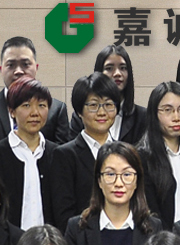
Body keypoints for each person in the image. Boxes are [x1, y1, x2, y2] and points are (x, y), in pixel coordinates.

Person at [0, 77, 74, 234]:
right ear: (12, 111)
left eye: (42, 105)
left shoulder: (57, 154)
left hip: (49, 241)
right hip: (8, 241)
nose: (35, 113)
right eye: (26, 105)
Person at [51, 74, 125, 230]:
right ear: (79, 111)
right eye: (93, 105)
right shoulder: (65, 155)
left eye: (108, 104)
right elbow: (63, 215)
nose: (102, 112)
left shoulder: (126, 154)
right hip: (82, 238)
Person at [137, 82, 180, 227]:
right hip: (159, 237)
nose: (176, 117)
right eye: (167, 110)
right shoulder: (142, 158)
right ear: (154, 113)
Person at [0, 37, 74, 145]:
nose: (18, 71)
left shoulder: (56, 109)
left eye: (25, 64)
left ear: (36, 68)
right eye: (11, 65)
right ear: (1, 70)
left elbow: (62, 152)